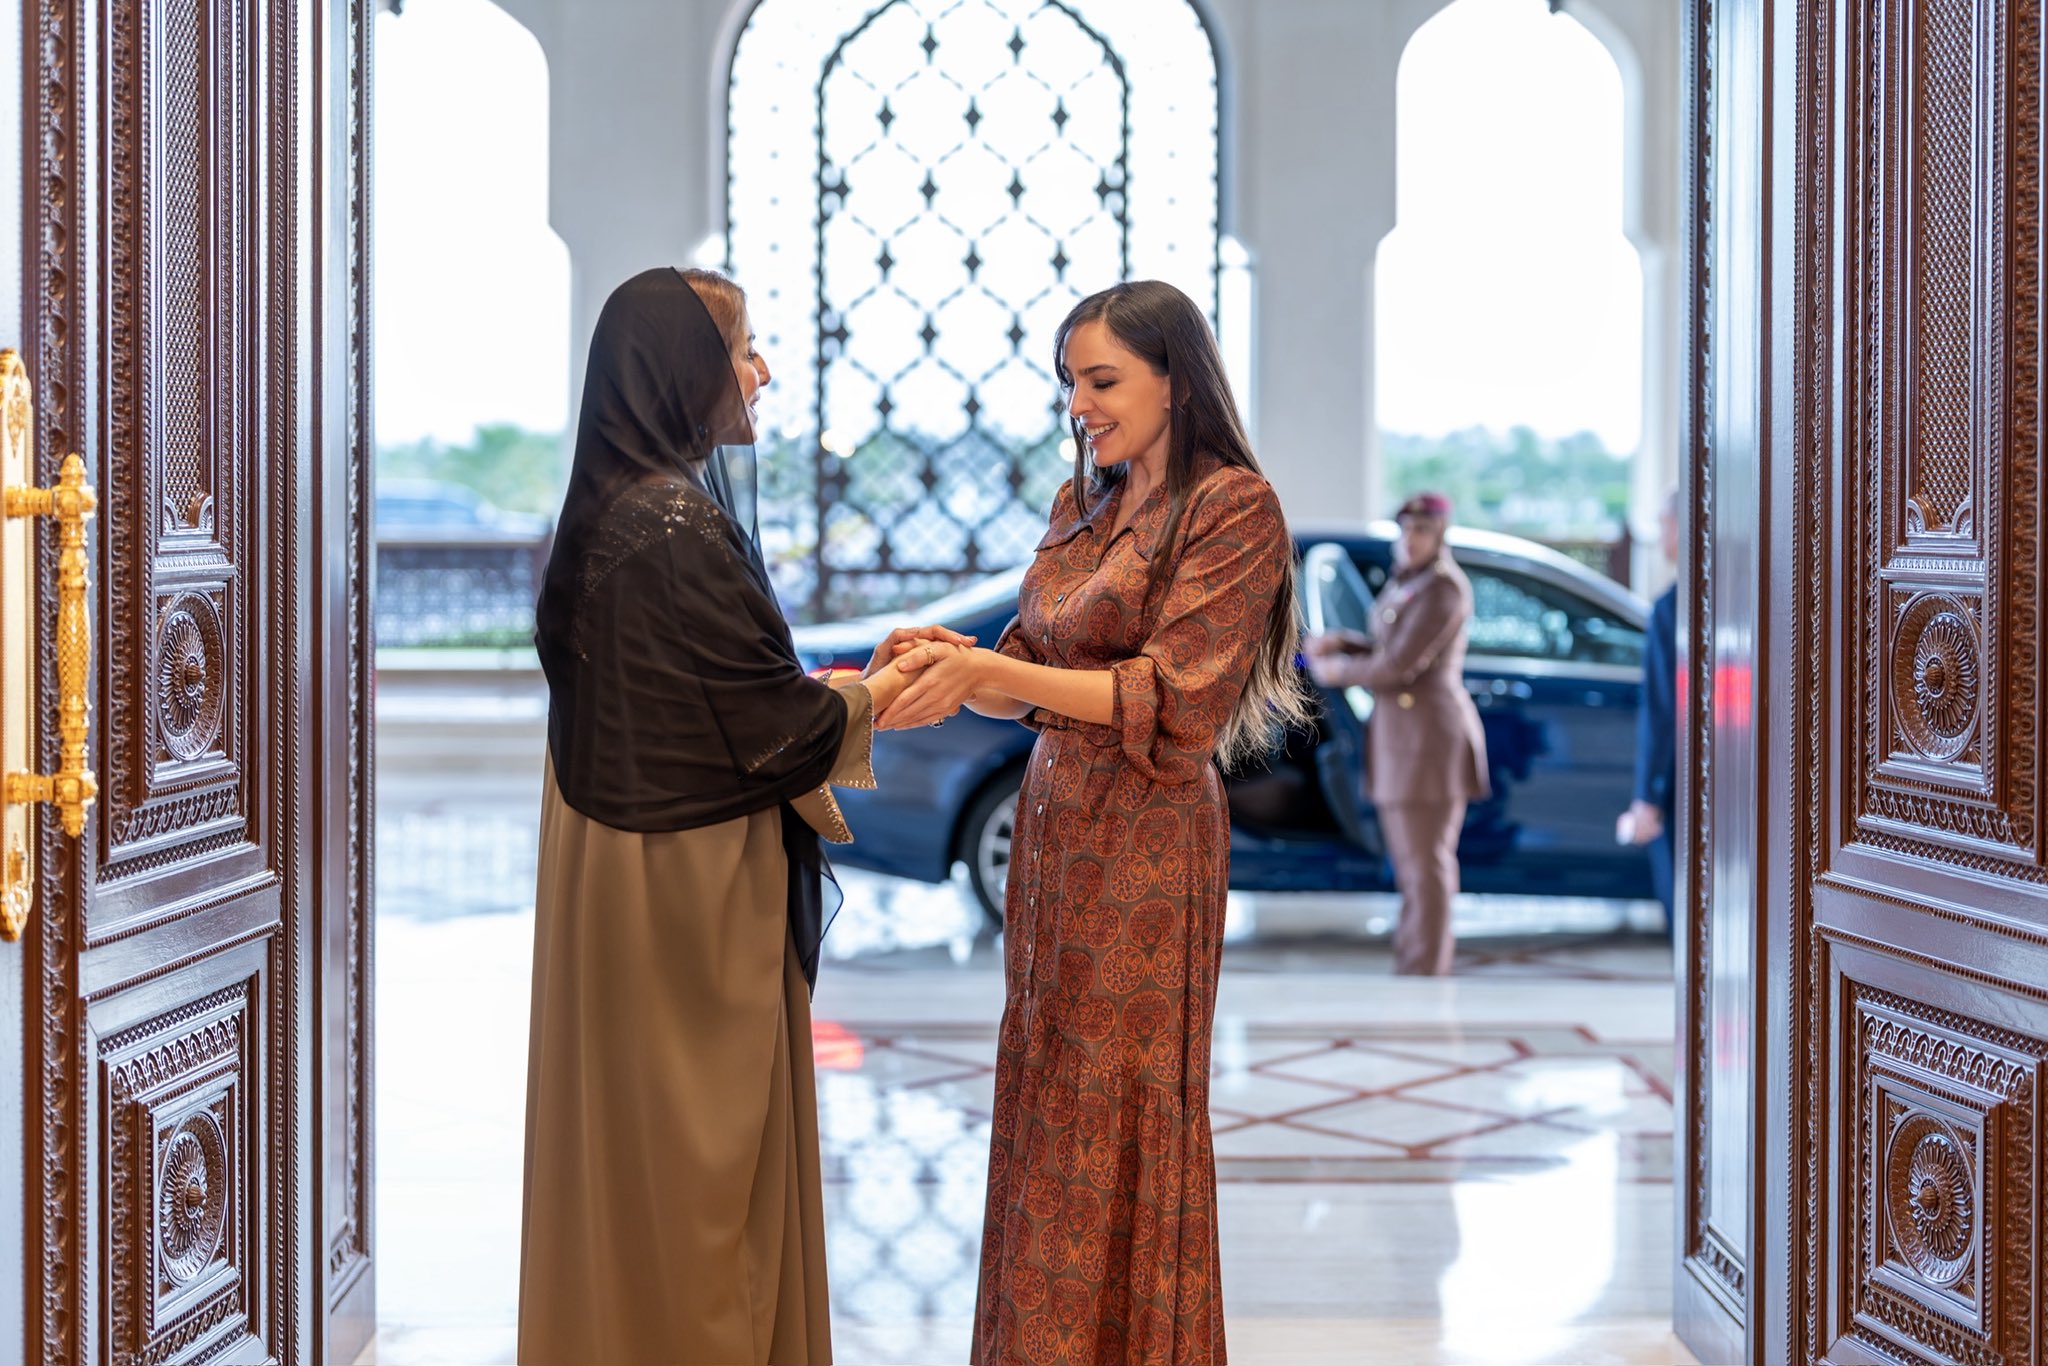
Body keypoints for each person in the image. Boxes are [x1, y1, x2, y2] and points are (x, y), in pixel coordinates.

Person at [517, 266, 967, 1364]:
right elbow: (768, 728)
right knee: (699, 1177)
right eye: (742, 347)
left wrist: (851, 684)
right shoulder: (673, 520)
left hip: (615, 868)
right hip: (685, 887)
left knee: (628, 1157)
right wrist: (884, 691)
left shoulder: (613, 507)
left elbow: (710, 697)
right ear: (681, 367)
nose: (760, 371)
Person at [880, 280, 1311, 1363]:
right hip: (1058, 825)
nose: (1079, 405)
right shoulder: (1083, 503)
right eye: (1071, 382)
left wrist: (997, 675)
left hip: (1148, 838)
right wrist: (950, 661)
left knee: (1121, 1098)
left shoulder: (1232, 508)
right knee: (1047, 1082)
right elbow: (1028, 674)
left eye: (1103, 380)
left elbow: (1174, 698)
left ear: (1177, 381)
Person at [1304, 492, 1489, 976]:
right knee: (1412, 864)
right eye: (1405, 529)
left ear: (1440, 535)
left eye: (1422, 530)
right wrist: (1347, 642)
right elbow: (1388, 645)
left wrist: (1338, 670)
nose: (1410, 539)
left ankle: (1424, 970)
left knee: (1425, 863)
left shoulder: (1442, 588)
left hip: (1428, 742)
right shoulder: (1411, 580)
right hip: (1406, 738)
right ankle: (1416, 963)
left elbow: (1400, 664)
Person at [1619, 488, 1680, 929]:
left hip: (1681, 789)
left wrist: (1649, 797)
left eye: (1663, 524)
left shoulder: (1672, 608)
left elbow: (1662, 713)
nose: (1661, 535)